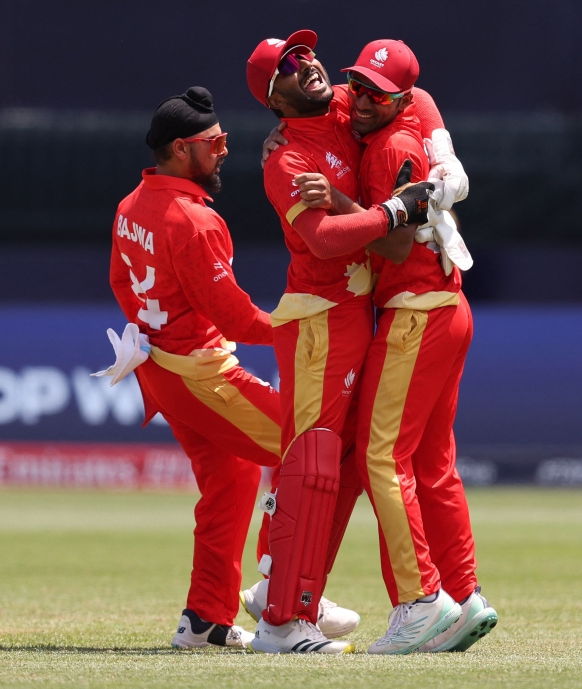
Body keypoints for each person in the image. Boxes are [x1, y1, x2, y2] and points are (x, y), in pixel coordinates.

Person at [288, 40, 496, 655]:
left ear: (401, 98)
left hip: (416, 312)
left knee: (381, 459)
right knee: (431, 465)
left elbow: (398, 246)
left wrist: (337, 201)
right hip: (445, 308)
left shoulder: (391, 147)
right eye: (359, 86)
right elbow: (349, 105)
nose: (362, 101)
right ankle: (463, 596)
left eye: (378, 94)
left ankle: (421, 602)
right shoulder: (401, 118)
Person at [242, 30, 434, 654]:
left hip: (352, 312)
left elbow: (415, 96)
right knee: (314, 460)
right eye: (290, 66)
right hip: (319, 316)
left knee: (340, 462)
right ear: (274, 98)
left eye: (308, 54)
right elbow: (325, 239)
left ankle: (294, 595)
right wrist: (395, 214)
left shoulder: (350, 107)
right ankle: (281, 621)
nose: (310, 65)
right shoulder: (285, 158)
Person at [102, 87, 280, 650]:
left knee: (233, 479)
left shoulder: (131, 205)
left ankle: (205, 621)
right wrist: (305, 325)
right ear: (182, 149)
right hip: (201, 374)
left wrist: (155, 334)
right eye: (216, 143)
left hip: (160, 369)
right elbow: (234, 315)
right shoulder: (194, 220)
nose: (225, 151)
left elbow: (119, 283)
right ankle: (287, 593)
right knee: (312, 452)